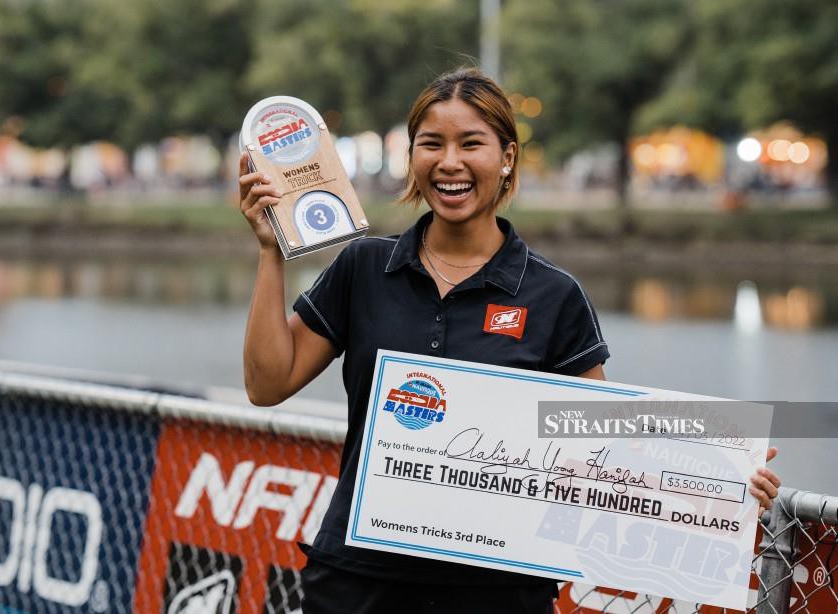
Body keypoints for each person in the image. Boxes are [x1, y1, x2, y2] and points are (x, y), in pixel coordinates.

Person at [239, 68, 781, 614]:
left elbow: (604, 451)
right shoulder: (363, 267)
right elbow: (267, 385)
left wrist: (721, 484)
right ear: (413, 158)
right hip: (357, 583)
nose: (450, 162)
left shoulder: (554, 295)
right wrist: (270, 251)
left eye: (471, 143)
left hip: (496, 594)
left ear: (507, 158)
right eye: (432, 144)